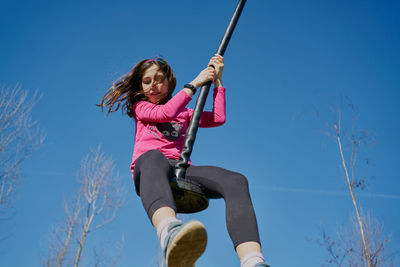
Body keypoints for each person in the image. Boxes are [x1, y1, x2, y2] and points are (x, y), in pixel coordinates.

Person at [98, 55, 270, 267]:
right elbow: (165, 113)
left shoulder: (184, 113)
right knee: (153, 156)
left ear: (169, 82)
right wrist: (195, 83)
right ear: (141, 86)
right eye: (147, 81)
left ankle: (253, 260)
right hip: (152, 168)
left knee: (236, 181)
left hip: (180, 168)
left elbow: (218, 118)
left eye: (160, 79)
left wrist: (217, 81)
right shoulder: (140, 107)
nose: (154, 85)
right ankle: (169, 233)